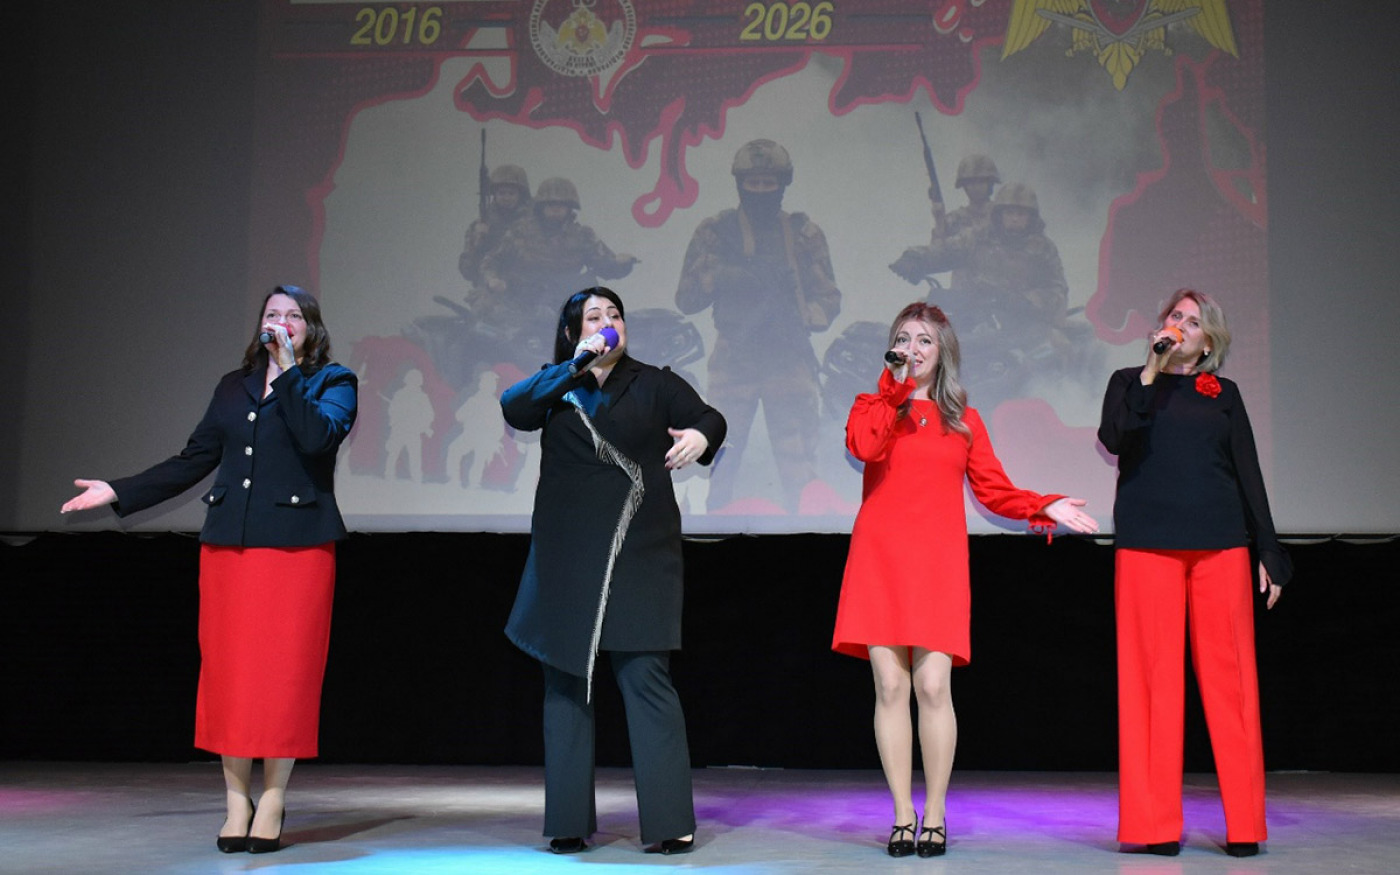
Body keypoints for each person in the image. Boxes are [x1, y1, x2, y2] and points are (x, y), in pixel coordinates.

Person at [60, 285, 358, 855]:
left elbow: (317, 438)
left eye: (293, 315)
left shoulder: (333, 382)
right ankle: (235, 802)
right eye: (272, 314)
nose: (281, 321)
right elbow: (194, 459)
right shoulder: (232, 385)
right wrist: (118, 490)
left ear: (311, 328)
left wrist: (287, 372)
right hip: (229, 549)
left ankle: (273, 799)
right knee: (231, 676)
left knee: (284, 677)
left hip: (297, 550)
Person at [831, 302, 1099, 857]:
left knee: (932, 686)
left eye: (924, 341)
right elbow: (865, 447)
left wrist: (1044, 505)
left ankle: (934, 813)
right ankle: (902, 815)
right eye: (904, 338)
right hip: (880, 558)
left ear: (944, 352)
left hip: (937, 562)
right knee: (890, 687)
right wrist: (893, 389)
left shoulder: (964, 421)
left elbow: (995, 491)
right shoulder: (872, 406)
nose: (913, 349)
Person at [500, 286, 726, 856]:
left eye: (615, 315)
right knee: (565, 683)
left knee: (644, 676)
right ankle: (568, 821)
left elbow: (709, 417)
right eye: (594, 316)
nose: (608, 323)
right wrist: (573, 366)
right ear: (573, 332)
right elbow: (514, 408)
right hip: (568, 552)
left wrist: (700, 436)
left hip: (640, 548)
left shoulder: (653, 383)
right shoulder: (557, 384)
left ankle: (670, 821)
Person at [1097, 288, 1290, 858]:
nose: (1180, 325)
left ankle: (1244, 825)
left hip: (1220, 546)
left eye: (1193, 321)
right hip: (1146, 546)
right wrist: (1151, 371)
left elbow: (1248, 472)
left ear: (1208, 343)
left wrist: (1270, 550)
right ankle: (1155, 825)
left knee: (1232, 687)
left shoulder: (1223, 394)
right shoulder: (1128, 382)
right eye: (1174, 315)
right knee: (1150, 686)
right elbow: (1114, 438)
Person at [675, 138, 841, 512]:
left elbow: (829, 298)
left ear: (782, 184)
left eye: (769, 183)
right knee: (719, 457)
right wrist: (725, 278)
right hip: (735, 355)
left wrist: (799, 317)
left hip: (787, 356)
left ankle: (805, 530)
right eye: (753, 183)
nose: (761, 191)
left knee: (799, 461)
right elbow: (686, 298)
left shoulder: (803, 235)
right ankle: (712, 526)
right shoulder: (716, 233)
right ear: (740, 184)